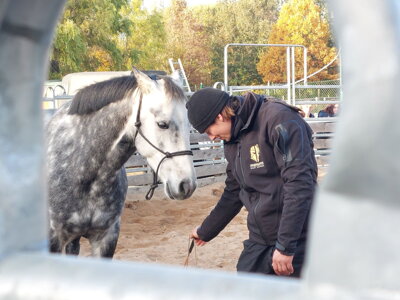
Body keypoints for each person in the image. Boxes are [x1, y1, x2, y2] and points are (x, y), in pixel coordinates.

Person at [186, 88, 317, 278]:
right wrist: (206, 230)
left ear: (220, 116)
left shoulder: (279, 120)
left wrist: (286, 247)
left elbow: (299, 184)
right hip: (261, 237)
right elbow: (234, 190)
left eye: (208, 131)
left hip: (298, 236)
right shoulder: (233, 137)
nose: (211, 138)